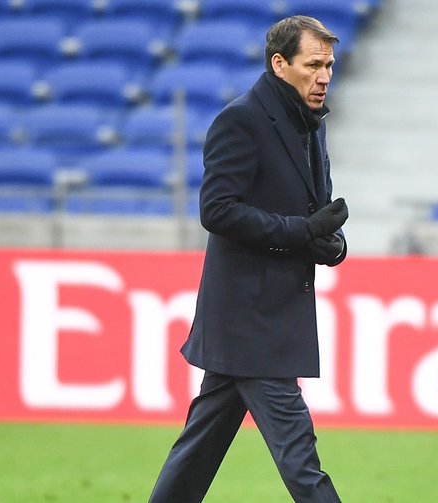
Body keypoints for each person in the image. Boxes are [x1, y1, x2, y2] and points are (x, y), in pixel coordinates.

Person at [147, 16, 347, 503]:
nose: (324, 76)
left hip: (261, 318)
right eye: (313, 65)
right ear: (280, 64)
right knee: (300, 458)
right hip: (252, 322)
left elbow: (314, 213)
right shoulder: (241, 120)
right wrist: (300, 233)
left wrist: (331, 243)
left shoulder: (309, 124)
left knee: (195, 456)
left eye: (328, 66)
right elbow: (217, 210)